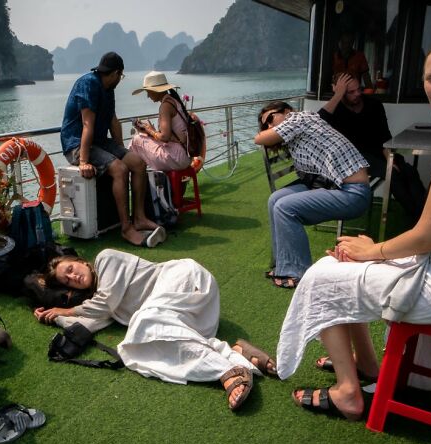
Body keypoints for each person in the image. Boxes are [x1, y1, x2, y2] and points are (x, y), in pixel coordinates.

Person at [276, 30, 431, 421]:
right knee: (346, 261)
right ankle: (369, 366)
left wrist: (373, 251)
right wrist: (372, 253)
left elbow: (427, 236)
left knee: (324, 274)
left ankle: (348, 393)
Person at [32, 249, 278, 411]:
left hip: (184, 279)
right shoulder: (101, 301)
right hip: (194, 319)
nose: (73, 277)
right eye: (66, 281)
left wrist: (66, 310)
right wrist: (53, 316)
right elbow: (92, 320)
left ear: (80, 262)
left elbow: (103, 304)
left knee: (143, 324)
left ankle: (226, 371)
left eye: (70, 269)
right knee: (144, 345)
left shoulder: (105, 260)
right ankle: (236, 353)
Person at [254, 102, 371, 289]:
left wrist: (264, 133)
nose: (269, 125)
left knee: (284, 207)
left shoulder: (299, 118)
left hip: (353, 193)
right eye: (265, 124)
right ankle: (283, 264)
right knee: (275, 199)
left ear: (286, 111)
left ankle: (298, 272)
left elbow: (259, 139)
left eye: (270, 118)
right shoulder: (297, 132)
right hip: (333, 186)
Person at [60, 52, 165, 248]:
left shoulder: (108, 89)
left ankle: (139, 218)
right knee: (120, 169)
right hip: (77, 144)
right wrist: (83, 161)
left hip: (100, 142)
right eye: (121, 76)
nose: (120, 80)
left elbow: (113, 121)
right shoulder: (88, 84)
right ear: (116, 73)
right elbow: (87, 124)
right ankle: (126, 228)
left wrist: (121, 150)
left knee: (137, 163)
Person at [319, 73, 427, 222]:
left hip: (380, 152)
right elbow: (318, 122)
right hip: (353, 160)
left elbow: (384, 136)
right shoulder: (335, 110)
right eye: (350, 92)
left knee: (409, 172)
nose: (357, 94)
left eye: (359, 89)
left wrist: (390, 159)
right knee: (393, 176)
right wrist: (337, 96)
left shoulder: (374, 105)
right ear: (338, 90)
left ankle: (426, 216)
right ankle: (418, 219)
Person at [129, 71, 192, 171]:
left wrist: (149, 130)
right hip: (186, 155)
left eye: (148, 92)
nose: (148, 96)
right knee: (143, 137)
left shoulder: (165, 106)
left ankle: (137, 175)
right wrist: (150, 131)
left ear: (156, 91)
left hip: (176, 157)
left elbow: (164, 137)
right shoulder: (174, 101)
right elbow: (172, 136)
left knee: (136, 140)